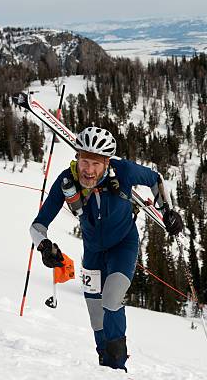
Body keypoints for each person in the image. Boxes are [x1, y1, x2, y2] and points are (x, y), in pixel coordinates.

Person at [29, 126, 183, 372]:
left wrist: (167, 211)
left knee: (111, 299)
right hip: (92, 253)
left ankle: (117, 368)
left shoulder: (124, 171)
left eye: (95, 164)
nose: (88, 170)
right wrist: (44, 246)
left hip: (124, 245)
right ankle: (105, 364)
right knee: (95, 316)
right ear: (77, 157)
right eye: (84, 161)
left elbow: (155, 179)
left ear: (107, 163)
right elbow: (37, 226)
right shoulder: (66, 181)